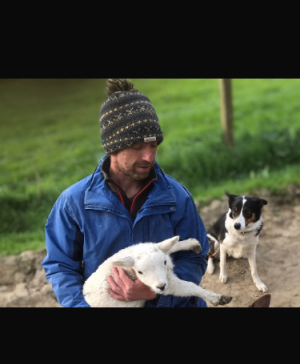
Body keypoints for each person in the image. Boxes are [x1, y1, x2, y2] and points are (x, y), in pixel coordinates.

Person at [43, 79, 210, 308]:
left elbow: (193, 257)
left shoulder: (178, 197)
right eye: (137, 147)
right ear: (113, 147)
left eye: (153, 145)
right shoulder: (73, 203)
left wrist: (156, 293)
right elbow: (61, 267)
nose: (149, 157)